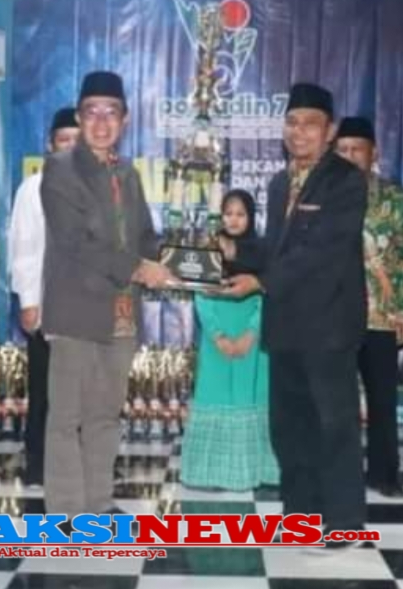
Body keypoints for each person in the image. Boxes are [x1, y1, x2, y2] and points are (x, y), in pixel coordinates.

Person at [221, 82, 369, 549]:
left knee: (334, 426)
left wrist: (260, 282)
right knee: (290, 429)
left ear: (329, 131)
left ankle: (343, 522)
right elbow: (277, 248)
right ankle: (302, 516)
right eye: (291, 122)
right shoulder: (280, 182)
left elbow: (320, 253)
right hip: (285, 326)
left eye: (310, 123)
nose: (298, 131)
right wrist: (233, 252)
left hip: (329, 328)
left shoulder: (346, 180)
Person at [41, 71, 172, 524]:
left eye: (110, 112)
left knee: (105, 415)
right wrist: (140, 268)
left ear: (125, 119)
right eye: (91, 112)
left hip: (121, 316)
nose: (101, 122)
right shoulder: (59, 169)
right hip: (77, 312)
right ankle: (64, 511)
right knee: (66, 418)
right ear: (79, 118)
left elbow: (145, 236)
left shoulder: (127, 173)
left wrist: (180, 261)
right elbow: (77, 241)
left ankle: (97, 502)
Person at [334, 116, 403, 499]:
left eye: (357, 149)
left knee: (382, 398)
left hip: (381, 316)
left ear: (375, 154)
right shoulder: (325, 198)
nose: (350, 155)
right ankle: (343, 472)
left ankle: (385, 473)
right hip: (334, 316)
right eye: (343, 149)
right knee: (339, 401)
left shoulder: (395, 200)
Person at [180, 189, 279, 492]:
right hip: (217, 342)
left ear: (251, 217)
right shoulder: (210, 251)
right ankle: (211, 474)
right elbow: (200, 294)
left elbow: (269, 295)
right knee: (217, 397)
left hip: (254, 341)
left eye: (240, 214)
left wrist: (251, 333)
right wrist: (218, 335)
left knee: (252, 398)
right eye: (228, 214)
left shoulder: (263, 252)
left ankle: (259, 471)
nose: (233, 220)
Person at [7, 106, 80, 488]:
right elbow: (23, 248)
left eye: (77, 140)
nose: (70, 146)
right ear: (50, 145)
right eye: (63, 140)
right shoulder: (32, 189)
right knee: (44, 389)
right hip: (47, 305)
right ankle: (37, 463)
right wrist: (28, 301)